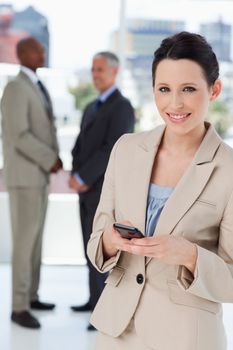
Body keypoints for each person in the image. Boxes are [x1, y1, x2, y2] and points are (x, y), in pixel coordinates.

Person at [87, 31, 233, 349]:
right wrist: (110, 242)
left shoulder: (229, 169)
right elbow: (96, 241)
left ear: (215, 90)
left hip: (186, 337)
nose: (174, 103)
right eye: (164, 89)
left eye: (189, 89)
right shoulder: (126, 150)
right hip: (116, 333)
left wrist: (191, 256)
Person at [69, 51, 135, 330]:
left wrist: (84, 176)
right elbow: (81, 144)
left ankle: (103, 308)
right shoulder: (91, 106)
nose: (95, 74)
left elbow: (112, 149)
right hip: (85, 189)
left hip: (102, 189)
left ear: (114, 71)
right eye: (93, 69)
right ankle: (93, 298)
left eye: (99, 70)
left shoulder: (122, 107)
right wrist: (75, 174)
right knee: (89, 244)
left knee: (104, 248)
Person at [1, 37, 63, 329]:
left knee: (36, 243)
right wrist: (50, 157)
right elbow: (19, 134)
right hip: (25, 178)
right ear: (22, 53)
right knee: (24, 244)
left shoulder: (36, 85)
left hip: (38, 177)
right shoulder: (15, 88)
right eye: (38, 49)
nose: (43, 52)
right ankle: (18, 306)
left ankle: (32, 296)